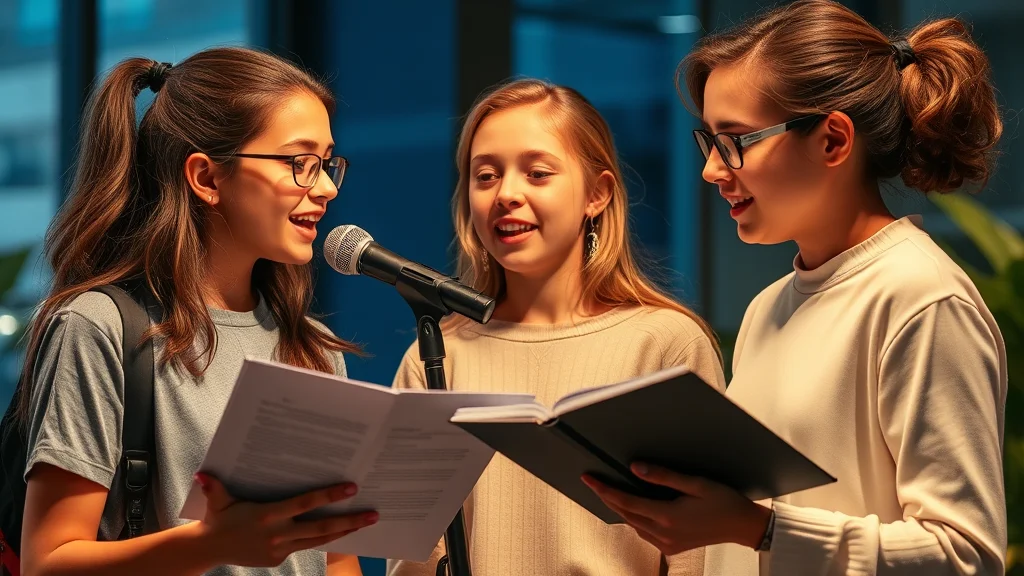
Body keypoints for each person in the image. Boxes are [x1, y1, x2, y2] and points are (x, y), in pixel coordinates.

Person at [583, 1, 1008, 574]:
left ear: (832, 141)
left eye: (734, 140)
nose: (712, 170)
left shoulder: (922, 300)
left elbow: (966, 556)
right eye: (707, 142)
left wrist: (755, 527)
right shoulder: (768, 309)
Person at [16, 47, 377, 575]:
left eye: (326, 163)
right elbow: (46, 562)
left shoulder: (314, 348)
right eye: (300, 162)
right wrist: (211, 545)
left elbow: (335, 556)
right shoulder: (100, 327)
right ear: (207, 178)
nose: (324, 187)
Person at [385, 79, 726, 576]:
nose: (506, 194)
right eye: (485, 176)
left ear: (597, 194)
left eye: (537, 173)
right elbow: (410, 557)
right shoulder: (436, 355)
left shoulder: (664, 344)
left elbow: (702, 556)